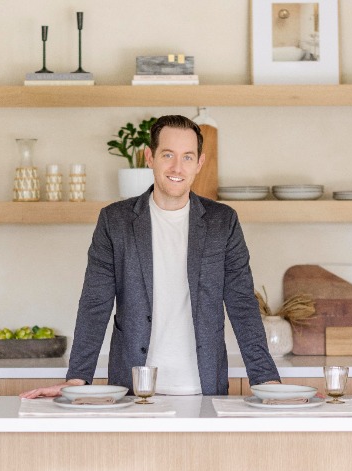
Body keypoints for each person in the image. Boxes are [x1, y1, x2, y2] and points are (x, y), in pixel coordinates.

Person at [21, 114, 280, 398]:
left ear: (199, 163)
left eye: (187, 157)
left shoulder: (223, 221)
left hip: (204, 389)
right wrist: (77, 378)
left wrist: (267, 380)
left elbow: (242, 304)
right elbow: (95, 303)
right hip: (133, 390)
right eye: (168, 155)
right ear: (149, 157)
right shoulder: (115, 221)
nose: (177, 167)